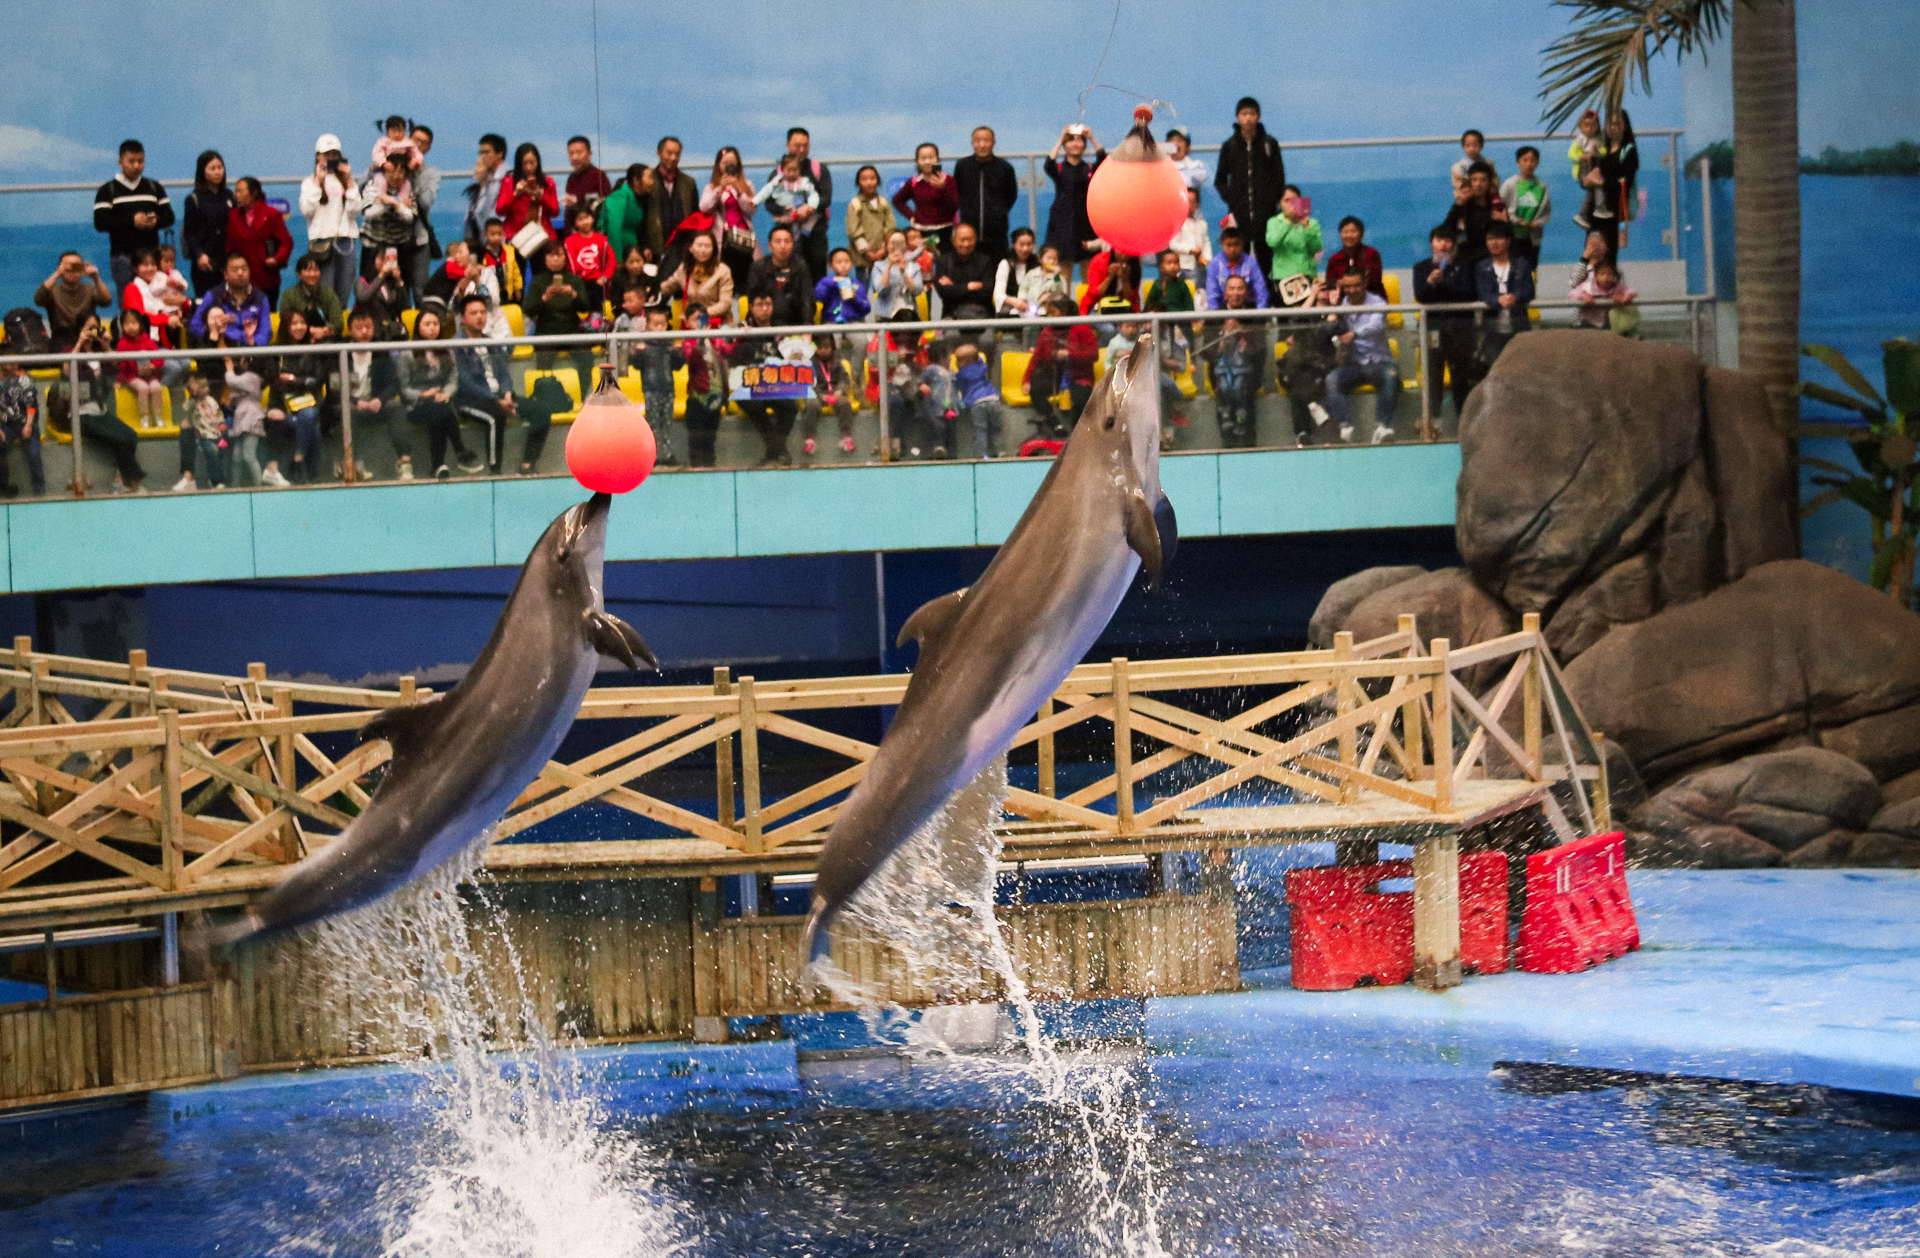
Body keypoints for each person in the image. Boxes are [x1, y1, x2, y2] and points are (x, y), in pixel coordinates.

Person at [65, 317, 147, 493]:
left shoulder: (98, 352)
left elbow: (117, 366)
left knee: (129, 435)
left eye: (95, 327)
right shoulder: (71, 349)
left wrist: (106, 345)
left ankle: (124, 480)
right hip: (80, 413)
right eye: (88, 327)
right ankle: (132, 481)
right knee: (119, 439)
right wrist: (79, 343)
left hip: (100, 410)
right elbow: (65, 370)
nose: (92, 331)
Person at [400, 308, 481, 478]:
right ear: (418, 327)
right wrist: (424, 394)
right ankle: (459, 451)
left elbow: (453, 378)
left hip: (441, 401)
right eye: (427, 324)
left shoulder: (446, 349)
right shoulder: (407, 353)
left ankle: (438, 466)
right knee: (440, 411)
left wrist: (446, 393)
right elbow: (404, 388)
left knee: (439, 411)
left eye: (435, 324)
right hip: (416, 404)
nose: (432, 328)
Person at [453, 294, 528, 473]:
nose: (480, 316)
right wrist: (496, 401)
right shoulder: (456, 346)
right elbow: (465, 381)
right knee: (496, 418)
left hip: (499, 397)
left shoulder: (490, 342)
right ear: (463, 319)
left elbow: (503, 372)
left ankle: (528, 464)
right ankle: (495, 471)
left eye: (482, 312)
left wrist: (508, 393)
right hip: (470, 400)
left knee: (539, 411)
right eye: (474, 313)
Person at [1323, 269, 1400, 444]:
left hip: (1379, 362)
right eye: (1347, 286)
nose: (1352, 290)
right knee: (1331, 379)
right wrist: (1334, 309)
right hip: (1353, 364)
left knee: (1392, 375)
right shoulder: (1341, 306)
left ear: (1364, 284)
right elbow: (1330, 330)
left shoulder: (1378, 302)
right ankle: (1344, 427)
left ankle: (1382, 427)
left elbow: (1377, 323)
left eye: (1356, 285)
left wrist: (1354, 334)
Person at [1215, 98, 1285, 281]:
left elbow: (1279, 177)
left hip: (1266, 214)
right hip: (1239, 215)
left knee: (1266, 260)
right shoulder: (1229, 146)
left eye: (1252, 114)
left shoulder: (1269, 144)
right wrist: (1233, 199)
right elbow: (1220, 180)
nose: (1248, 118)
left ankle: (1268, 301)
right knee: (1240, 260)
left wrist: (1271, 199)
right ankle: (1242, 301)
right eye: (1244, 114)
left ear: (1258, 116)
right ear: (1238, 117)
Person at [1413, 222, 1478, 420]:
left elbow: (1468, 294)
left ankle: (1463, 421)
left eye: (1448, 240)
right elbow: (1421, 296)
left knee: (1460, 378)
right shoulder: (1422, 268)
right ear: (1431, 243)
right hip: (1433, 330)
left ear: (1454, 244)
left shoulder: (1465, 266)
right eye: (1439, 240)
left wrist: (1445, 283)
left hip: (1460, 330)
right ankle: (1433, 422)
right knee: (1434, 378)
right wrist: (1431, 283)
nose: (1444, 245)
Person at [93, 140, 174, 299]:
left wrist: (155, 220)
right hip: (123, 257)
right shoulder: (107, 190)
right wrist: (132, 221)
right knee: (129, 302)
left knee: (156, 300)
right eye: (131, 161)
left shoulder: (153, 187)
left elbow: (169, 217)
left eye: (140, 161)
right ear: (120, 162)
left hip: (152, 256)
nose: (137, 166)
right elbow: (100, 222)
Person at [336, 306, 404, 480]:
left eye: (369, 327)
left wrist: (380, 400)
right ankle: (355, 464)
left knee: (396, 407)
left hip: (374, 405)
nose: (365, 332)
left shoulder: (380, 352)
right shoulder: (341, 353)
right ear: (350, 330)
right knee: (347, 413)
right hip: (351, 404)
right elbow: (335, 388)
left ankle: (404, 461)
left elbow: (392, 384)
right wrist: (356, 402)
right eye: (359, 328)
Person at [730, 293, 797, 465]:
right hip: (751, 385)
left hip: (777, 383)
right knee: (752, 404)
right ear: (751, 308)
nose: (765, 308)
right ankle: (778, 450)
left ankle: (772, 452)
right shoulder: (742, 329)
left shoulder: (780, 329)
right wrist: (741, 338)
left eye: (768, 304)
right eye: (760, 304)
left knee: (790, 407)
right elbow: (731, 353)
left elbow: (792, 358)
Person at [1202, 276, 1267, 448]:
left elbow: (1260, 349)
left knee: (1247, 428)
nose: (1236, 293)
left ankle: (1249, 451)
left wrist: (1243, 335)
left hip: (1247, 378)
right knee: (1227, 429)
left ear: (1246, 292)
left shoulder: (1256, 317)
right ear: (1225, 293)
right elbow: (1205, 352)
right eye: (1232, 288)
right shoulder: (1215, 318)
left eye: (1240, 289)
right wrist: (1220, 345)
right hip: (1222, 376)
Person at [524, 241, 596, 387]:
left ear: (565, 258)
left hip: (572, 330)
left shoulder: (574, 280)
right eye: (551, 255)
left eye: (559, 255)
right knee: (543, 363)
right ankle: (548, 396)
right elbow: (528, 309)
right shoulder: (537, 281)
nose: (555, 259)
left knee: (587, 357)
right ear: (545, 258)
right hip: (546, 332)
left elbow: (585, 308)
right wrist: (544, 298)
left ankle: (583, 396)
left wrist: (573, 294)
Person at [265, 309, 325, 484]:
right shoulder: (275, 351)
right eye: (294, 323)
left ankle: (297, 460)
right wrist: (303, 381)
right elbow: (274, 381)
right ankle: (313, 477)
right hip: (283, 411)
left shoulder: (313, 351)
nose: (299, 327)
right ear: (285, 326)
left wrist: (292, 379)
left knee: (309, 415)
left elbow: (318, 381)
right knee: (311, 428)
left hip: (309, 408)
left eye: (302, 323)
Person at [1042, 125, 1105, 288]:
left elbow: (1104, 159)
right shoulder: (1059, 168)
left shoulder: (1090, 168)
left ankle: (1088, 309)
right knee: (1064, 270)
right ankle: (1065, 309)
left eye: (1079, 141)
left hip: (1086, 222)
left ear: (1084, 145)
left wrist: (1092, 137)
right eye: (1071, 141)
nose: (1075, 144)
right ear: (1065, 145)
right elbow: (1048, 164)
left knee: (1089, 269)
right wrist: (1061, 138)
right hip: (1063, 223)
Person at [1473, 222, 1534, 368]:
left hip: (1518, 327)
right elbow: (1481, 293)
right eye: (1490, 239)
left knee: (1519, 369)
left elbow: (1529, 291)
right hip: (1492, 331)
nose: (1494, 243)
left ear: (1508, 240)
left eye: (1498, 238)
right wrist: (1497, 299)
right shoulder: (1482, 267)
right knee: (1495, 370)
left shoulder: (1521, 264)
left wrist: (1515, 297)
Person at [954, 127, 1019, 260]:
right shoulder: (962, 166)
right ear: (972, 143)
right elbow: (957, 192)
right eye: (978, 141)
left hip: (997, 233)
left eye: (986, 140)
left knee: (998, 271)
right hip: (970, 232)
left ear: (993, 143)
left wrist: (998, 212)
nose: (982, 145)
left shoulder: (1005, 168)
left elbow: (1011, 195)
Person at [227, 177, 293, 307]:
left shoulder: (271, 214)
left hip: (266, 278)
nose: (236, 195)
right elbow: (229, 246)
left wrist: (277, 259)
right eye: (235, 191)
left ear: (254, 193)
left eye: (240, 191)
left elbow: (287, 242)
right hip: (240, 279)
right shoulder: (233, 215)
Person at [701, 148, 758, 291]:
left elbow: (751, 209)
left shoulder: (747, 185)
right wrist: (719, 188)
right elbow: (704, 207)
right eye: (725, 162)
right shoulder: (711, 187)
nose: (728, 165)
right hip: (723, 239)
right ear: (718, 165)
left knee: (745, 280)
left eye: (732, 162)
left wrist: (740, 191)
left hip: (744, 239)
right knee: (723, 280)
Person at [359, 152, 419, 290]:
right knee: (370, 284)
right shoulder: (372, 187)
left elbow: (410, 217)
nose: (395, 176)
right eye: (391, 172)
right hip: (373, 246)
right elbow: (369, 213)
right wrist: (390, 204)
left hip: (399, 247)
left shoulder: (408, 189)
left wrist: (395, 203)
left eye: (400, 172)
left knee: (399, 286)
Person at [628, 306, 678, 466]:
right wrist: (637, 354)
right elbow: (635, 365)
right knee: (653, 423)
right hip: (650, 388)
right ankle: (653, 455)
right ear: (648, 325)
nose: (659, 327)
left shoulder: (670, 342)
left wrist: (677, 352)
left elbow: (677, 365)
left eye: (662, 324)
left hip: (668, 388)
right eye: (655, 324)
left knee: (667, 422)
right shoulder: (643, 343)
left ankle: (668, 454)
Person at [182, 151, 236, 298]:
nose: (217, 172)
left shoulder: (229, 196)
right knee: (209, 304)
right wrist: (199, 255)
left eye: (220, 167)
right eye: (212, 168)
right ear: (202, 171)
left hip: (227, 260)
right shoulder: (194, 199)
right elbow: (189, 233)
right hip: (206, 262)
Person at [1587, 111, 1640, 261]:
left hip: (1614, 209)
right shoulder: (1603, 149)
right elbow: (1591, 175)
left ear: (1625, 126)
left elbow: (1626, 181)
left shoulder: (1628, 151)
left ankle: (1608, 283)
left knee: (1608, 253)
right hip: (1596, 209)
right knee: (1593, 250)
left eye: (1617, 123)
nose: (1613, 127)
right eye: (1610, 123)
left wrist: (1603, 183)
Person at [784, 128, 834, 283]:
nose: (801, 150)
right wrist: (791, 211)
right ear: (788, 145)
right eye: (797, 145)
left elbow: (826, 198)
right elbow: (770, 203)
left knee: (818, 278)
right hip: (789, 235)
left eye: (805, 145)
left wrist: (808, 208)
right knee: (791, 279)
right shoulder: (778, 173)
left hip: (816, 235)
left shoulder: (819, 170)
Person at [36, 252, 113, 351]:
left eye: (76, 266)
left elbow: (107, 301)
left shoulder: (90, 289)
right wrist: (57, 273)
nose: (72, 271)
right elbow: (38, 299)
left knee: (106, 340)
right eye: (68, 267)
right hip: (63, 337)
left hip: (88, 335)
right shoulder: (53, 291)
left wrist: (97, 278)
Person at [678, 308, 726, 468]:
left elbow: (730, 351)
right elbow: (692, 361)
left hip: (716, 396)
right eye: (695, 319)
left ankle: (710, 470)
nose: (699, 323)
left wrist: (741, 336)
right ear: (688, 323)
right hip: (697, 397)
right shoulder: (688, 342)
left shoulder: (716, 340)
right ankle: (696, 471)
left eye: (702, 319)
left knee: (710, 439)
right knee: (696, 439)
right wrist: (700, 341)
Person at [191, 253, 272, 347]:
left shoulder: (260, 297)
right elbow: (195, 326)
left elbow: (266, 332)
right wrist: (213, 332)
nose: (240, 273)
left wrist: (251, 342)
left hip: (252, 351)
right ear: (226, 274)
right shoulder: (213, 295)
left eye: (244, 269)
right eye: (235, 270)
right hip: (221, 351)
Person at [643, 137, 700, 269]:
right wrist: (644, 245)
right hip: (654, 249)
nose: (673, 158)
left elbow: (695, 215)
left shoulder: (688, 183)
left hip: (684, 249)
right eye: (669, 153)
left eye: (677, 154)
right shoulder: (648, 181)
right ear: (659, 153)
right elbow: (642, 216)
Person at [893, 143, 961, 254]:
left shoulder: (948, 180)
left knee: (943, 265)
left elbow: (956, 205)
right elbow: (897, 200)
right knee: (923, 265)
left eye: (931, 157)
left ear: (938, 159)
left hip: (945, 231)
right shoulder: (914, 182)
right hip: (921, 232)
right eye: (923, 158)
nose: (927, 161)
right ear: (918, 161)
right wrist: (912, 216)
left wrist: (943, 188)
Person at [1265, 186, 1324, 308]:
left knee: (1309, 318)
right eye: (1286, 200)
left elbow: (1316, 248)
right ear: (1279, 203)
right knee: (1286, 320)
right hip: (1283, 278)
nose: (1291, 204)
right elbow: (1272, 242)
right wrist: (1288, 222)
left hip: (1307, 276)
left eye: (1294, 200)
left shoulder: (1311, 222)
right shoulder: (1274, 222)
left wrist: (1307, 228)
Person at [1443, 161, 1508, 268]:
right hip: (1465, 259)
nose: (1478, 184)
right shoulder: (1461, 207)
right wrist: (1460, 205)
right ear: (1469, 182)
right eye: (1474, 180)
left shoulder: (1497, 207)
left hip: (1490, 261)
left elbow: (1506, 237)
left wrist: (1505, 222)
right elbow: (1447, 231)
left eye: (1483, 180)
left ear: (1489, 182)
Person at [754, 154, 821, 260]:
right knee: (780, 242)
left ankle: (796, 262)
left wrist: (811, 206)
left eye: (795, 170)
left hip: (800, 217)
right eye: (788, 170)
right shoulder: (777, 182)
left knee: (797, 245)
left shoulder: (803, 182)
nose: (791, 173)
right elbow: (765, 191)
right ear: (782, 169)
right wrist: (755, 200)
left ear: (799, 170)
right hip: (783, 218)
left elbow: (813, 195)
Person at [800, 334, 857, 458]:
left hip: (835, 393)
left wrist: (838, 393)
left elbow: (844, 380)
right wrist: (821, 396)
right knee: (811, 405)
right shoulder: (809, 363)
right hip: (817, 394)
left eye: (827, 347)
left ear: (832, 347)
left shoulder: (838, 361)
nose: (824, 350)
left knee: (844, 403)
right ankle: (810, 439)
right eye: (820, 347)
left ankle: (846, 437)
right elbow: (808, 382)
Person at [661, 231, 734, 324]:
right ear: (691, 248)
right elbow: (667, 287)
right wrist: (651, 291)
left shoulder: (723, 270)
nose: (703, 250)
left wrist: (700, 314)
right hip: (692, 324)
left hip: (718, 324)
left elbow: (725, 303)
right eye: (699, 245)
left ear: (713, 249)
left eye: (707, 246)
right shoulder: (684, 268)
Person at [746, 226, 813, 327]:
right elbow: (754, 299)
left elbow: (807, 299)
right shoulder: (758, 267)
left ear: (792, 244)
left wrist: (807, 327)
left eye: (787, 241)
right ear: (770, 246)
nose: (783, 246)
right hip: (764, 326)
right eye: (778, 241)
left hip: (796, 326)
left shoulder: (801, 266)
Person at [497, 143, 559, 247]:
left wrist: (542, 196)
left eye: (532, 162)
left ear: (538, 162)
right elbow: (500, 210)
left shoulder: (548, 182)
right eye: (524, 163)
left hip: (541, 235)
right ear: (518, 164)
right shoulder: (509, 182)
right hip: (516, 235)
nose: (528, 167)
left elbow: (555, 211)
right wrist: (516, 194)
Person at [0, 358, 46, 498]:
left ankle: (39, 492)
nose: (10, 366)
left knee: (33, 454)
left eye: (13, 363)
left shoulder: (24, 381)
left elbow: (31, 405)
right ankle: (4, 488)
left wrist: (28, 425)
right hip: (7, 425)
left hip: (26, 422)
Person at [934, 223, 997, 323]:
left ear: (975, 240)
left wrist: (955, 287)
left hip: (983, 315)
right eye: (962, 240)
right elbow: (943, 292)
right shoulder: (943, 261)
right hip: (951, 314)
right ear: (953, 241)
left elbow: (987, 292)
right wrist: (969, 286)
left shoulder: (985, 261)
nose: (966, 244)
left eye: (970, 239)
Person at [1501, 146, 1552, 269]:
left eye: (1533, 160)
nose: (1529, 164)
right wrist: (1513, 220)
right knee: (1514, 269)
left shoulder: (1542, 186)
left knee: (1531, 268)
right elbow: (1500, 206)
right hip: (1513, 236)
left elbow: (1547, 211)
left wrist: (1538, 223)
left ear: (1537, 163)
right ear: (1518, 163)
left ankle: (1531, 289)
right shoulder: (1510, 184)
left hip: (1533, 237)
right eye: (1525, 160)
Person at [406, 124, 441, 302]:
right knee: (399, 290)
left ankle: (424, 327)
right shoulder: (393, 165)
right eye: (416, 140)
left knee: (420, 290)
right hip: (396, 238)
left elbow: (426, 202)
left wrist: (414, 175)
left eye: (424, 143)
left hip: (420, 238)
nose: (419, 145)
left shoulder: (431, 173)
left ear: (428, 148)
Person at [114, 309, 165, 427]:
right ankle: (144, 416)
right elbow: (121, 364)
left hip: (150, 376)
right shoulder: (122, 344)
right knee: (143, 388)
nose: (130, 327)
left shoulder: (149, 342)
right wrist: (119, 380)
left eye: (133, 323)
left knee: (156, 388)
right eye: (126, 324)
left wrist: (153, 366)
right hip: (132, 376)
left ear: (140, 325)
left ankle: (158, 416)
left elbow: (159, 359)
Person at [223, 353, 268, 485]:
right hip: (242, 418)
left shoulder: (251, 377)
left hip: (250, 417)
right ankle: (235, 486)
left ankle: (258, 485)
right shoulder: (248, 378)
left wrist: (230, 370)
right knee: (237, 457)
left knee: (249, 456)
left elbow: (231, 381)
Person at [845, 165, 896, 280]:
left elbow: (891, 228)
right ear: (858, 183)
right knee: (862, 287)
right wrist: (866, 252)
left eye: (872, 178)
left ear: (877, 181)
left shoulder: (883, 203)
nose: (869, 182)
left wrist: (884, 250)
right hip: (862, 257)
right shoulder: (855, 204)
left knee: (884, 286)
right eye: (864, 179)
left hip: (883, 255)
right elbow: (853, 231)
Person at [353, 246, 412, 344]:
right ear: (373, 260)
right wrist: (381, 276)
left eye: (389, 259)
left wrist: (399, 281)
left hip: (391, 331)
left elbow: (406, 306)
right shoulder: (362, 281)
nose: (384, 262)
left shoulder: (393, 283)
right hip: (370, 330)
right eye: (381, 258)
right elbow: (362, 297)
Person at [600, 164, 654, 267]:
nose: (652, 182)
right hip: (618, 255)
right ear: (636, 180)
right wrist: (618, 259)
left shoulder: (639, 199)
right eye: (649, 178)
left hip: (631, 251)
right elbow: (614, 229)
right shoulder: (620, 196)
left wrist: (643, 248)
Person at [953, 342, 1001, 457]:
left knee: (981, 430)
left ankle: (982, 455)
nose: (956, 362)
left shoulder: (961, 374)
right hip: (993, 398)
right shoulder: (982, 366)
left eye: (959, 360)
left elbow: (958, 387)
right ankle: (999, 452)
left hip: (977, 402)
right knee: (996, 429)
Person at [180, 370, 226, 489]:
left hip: (217, 434)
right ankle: (216, 481)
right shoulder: (191, 403)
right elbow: (188, 413)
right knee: (212, 450)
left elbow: (219, 414)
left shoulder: (211, 400)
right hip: (204, 437)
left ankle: (218, 478)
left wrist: (222, 425)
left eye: (206, 386)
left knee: (222, 451)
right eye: (201, 387)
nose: (205, 389)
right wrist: (194, 396)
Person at [280, 253, 345, 336]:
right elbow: (286, 323)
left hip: (326, 339)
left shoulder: (329, 294)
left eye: (315, 270)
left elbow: (338, 324)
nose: (312, 274)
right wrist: (309, 331)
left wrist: (324, 332)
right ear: (299, 274)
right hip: (298, 340)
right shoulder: (288, 295)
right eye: (308, 270)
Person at [564, 204, 615, 310]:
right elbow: (570, 265)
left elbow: (611, 259)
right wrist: (575, 282)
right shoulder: (570, 242)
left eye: (587, 217)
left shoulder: (601, 240)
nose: (585, 221)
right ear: (574, 223)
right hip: (580, 284)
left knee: (598, 313)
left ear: (592, 218)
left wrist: (605, 277)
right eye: (580, 219)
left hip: (598, 282)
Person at [1205, 226, 1268, 311]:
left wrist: (1260, 313)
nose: (1232, 249)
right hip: (1223, 308)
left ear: (1242, 244)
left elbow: (1261, 290)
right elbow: (1211, 293)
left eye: (1236, 244)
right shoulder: (1214, 264)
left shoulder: (1251, 263)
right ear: (1221, 244)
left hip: (1248, 308)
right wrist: (1215, 317)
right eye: (1228, 245)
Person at [867, 231, 924, 323]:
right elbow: (879, 289)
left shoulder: (914, 266)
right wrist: (889, 266)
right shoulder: (878, 266)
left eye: (900, 242)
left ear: (906, 245)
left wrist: (904, 273)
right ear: (886, 246)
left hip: (909, 315)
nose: (896, 246)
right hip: (886, 316)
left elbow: (918, 290)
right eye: (893, 242)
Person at [464, 134, 509, 250]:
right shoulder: (483, 175)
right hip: (482, 237)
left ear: (499, 154)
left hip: (501, 239)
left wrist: (483, 184)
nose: (482, 157)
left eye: (486, 152)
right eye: (480, 153)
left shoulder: (507, 177)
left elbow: (486, 213)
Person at [1322, 216, 1385, 300]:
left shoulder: (1372, 254)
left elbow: (1374, 280)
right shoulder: (1334, 259)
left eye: (1353, 231)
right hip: (1343, 302)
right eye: (1345, 232)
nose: (1349, 235)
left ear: (1361, 234)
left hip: (1370, 300)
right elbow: (1330, 284)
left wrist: (1343, 282)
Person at [1570, 259, 1639, 333]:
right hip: (1589, 321)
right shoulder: (1588, 287)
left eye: (1610, 274)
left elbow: (1632, 291)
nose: (1606, 277)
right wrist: (1584, 296)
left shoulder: (1616, 287)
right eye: (1602, 274)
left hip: (1607, 322)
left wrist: (1626, 296)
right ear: (1595, 276)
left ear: (1614, 276)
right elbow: (1573, 293)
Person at [1168, 188, 1213, 300]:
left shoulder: (1202, 224)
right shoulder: (1178, 223)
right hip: (1184, 267)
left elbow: (1206, 242)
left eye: (1192, 201)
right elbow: (1173, 244)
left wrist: (1207, 258)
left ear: (1197, 204)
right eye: (1186, 201)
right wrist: (1190, 250)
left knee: (1201, 294)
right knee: (1187, 295)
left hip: (1200, 266)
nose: (1189, 205)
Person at [1568, 110, 1607, 231]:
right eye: (1586, 126)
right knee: (1596, 187)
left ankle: (1585, 213)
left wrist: (1597, 152)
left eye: (1593, 125)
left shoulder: (1599, 139)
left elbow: (1604, 151)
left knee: (1593, 190)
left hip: (1594, 168)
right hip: (1584, 169)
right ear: (1580, 127)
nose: (1589, 129)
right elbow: (1571, 153)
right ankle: (1598, 208)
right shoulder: (1579, 140)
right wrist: (1579, 157)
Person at [814, 247, 870, 326]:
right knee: (827, 335)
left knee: (862, 337)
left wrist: (856, 299)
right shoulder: (825, 282)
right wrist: (833, 282)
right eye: (839, 262)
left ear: (851, 264)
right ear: (831, 266)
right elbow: (818, 296)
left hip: (853, 322)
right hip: (831, 321)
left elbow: (866, 309)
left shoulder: (857, 285)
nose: (843, 265)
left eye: (847, 261)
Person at [478, 218, 526, 307]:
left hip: (508, 292)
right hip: (491, 294)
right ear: (485, 235)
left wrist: (518, 288)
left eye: (499, 234)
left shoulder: (509, 251)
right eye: (492, 234)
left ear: (504, 234)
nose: (496, 237)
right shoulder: (482, 254)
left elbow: (516, 272)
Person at [562, 136, 613, 220]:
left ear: (590, 154)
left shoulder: (599, 176)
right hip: (574, 229)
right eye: (571, 153)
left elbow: (605, 208)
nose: (574, 157)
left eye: (579, 153)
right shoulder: (571, 178)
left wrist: (577, 204)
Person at [992, 228, 1040, 318]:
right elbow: (998, 295)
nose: (1025, 249)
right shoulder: (1005, 264)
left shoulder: (1038, 264)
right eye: (1021, 245)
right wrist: (1015, 301)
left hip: (1034, 308)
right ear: (1013, 245)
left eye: (1029, 244)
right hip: (1010, 310)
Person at [607, 243, 661, 318]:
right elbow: (616, 306)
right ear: (625, 263)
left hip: (647, 318)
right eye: (631, 262)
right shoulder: (617, 281)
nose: (635, 266)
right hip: (625, 318)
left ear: (644, 261)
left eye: (638, 261)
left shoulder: (651, 280)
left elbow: (656, 302)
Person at [1143, 249, 1196, 313]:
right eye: (1169, 263)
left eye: (1176, 263)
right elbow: (1149, 307)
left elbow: (1189, 308)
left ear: (1180, 266)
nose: (1173, 266)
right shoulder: (1157, 285)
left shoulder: (1182, 285)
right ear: (1161, 267)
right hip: (1161, 320)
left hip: (1180, 320)